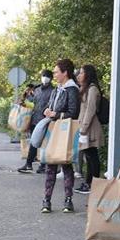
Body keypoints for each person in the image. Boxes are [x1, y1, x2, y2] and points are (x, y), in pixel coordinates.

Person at [41, 59, 82, 214]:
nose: (55, 74)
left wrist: (55, 114)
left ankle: (68, 200)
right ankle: (46, 200)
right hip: (53, 130)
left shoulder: (72, 90)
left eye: (57, 71)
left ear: (65, 72)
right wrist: (47, 111)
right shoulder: (56, 89)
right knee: (50, 165)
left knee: (66, 165)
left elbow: (74, 112)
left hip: (65, 131)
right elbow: (51, 107)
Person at [18, 70, 55, 174]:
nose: (45, 78)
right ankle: (28, 164)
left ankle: (43, 165)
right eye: (43, 76)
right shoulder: (37, 90)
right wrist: (25, 100)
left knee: (45, 144)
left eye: (47, 76)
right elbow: (33, 104)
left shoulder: (53, 91)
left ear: (51, 78)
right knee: (34, 143)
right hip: (35, 120)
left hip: (46, 121)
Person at [75, 64, 104, 194]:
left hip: (90, 128)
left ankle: (93, 184)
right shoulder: (85, 89)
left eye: (81, 73)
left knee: (92, 156)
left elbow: (90, 110)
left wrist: (84, 128)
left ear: (88, 74)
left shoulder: (92, 89)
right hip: (85, 127)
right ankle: (88, 183)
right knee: (89, 155)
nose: (79, 75)